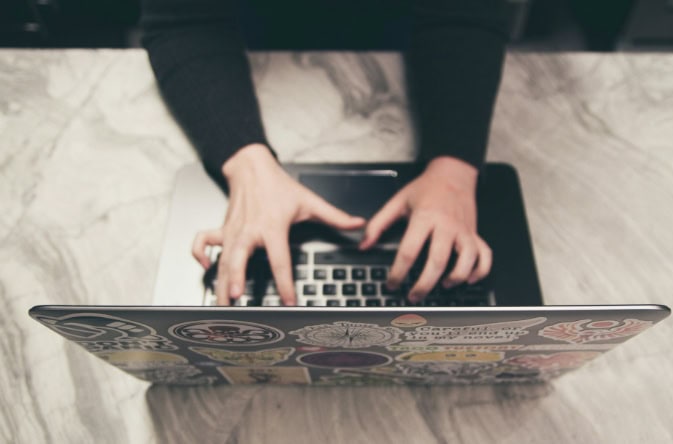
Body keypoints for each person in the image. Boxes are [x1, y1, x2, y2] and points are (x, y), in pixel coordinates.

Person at [141, 0, 508, 306]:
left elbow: (468, 13)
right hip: (245, 38)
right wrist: (245, 163)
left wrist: (454, 167)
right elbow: (184, 20)